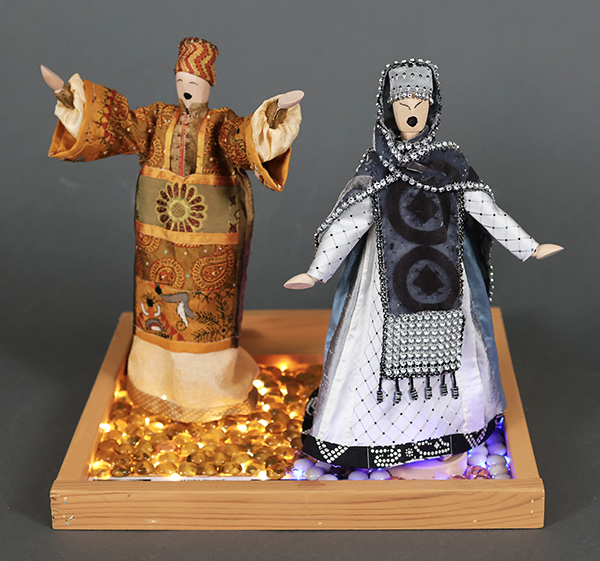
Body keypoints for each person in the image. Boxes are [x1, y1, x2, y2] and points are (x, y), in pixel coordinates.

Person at [285, 59, 561, 469]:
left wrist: (528, 246)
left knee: (456, 352)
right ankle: (370, 437)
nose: (411, 112)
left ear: (432, 109)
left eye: (419, 104)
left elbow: (483, 209)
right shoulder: (377, 168)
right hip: (382, 285)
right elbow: (351, 221)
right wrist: (317, 270)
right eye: (403, 105)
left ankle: (452, 432)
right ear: (389, 110)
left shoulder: (450, 165)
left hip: (446, 278)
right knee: (370, 355)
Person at [44, 37, 303, 423]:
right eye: (181, 81)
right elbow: (118, 127)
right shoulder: (155, 119)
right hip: (158, 231)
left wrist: (273, 116)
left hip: (211, 237)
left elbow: (245, 143)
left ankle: (210, 394)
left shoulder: (221, 124)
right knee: (155, 301)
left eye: (194, 82)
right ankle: (152, 385)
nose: (186, 89)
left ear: (208, 85)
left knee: (207, 311)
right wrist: (71, 100)